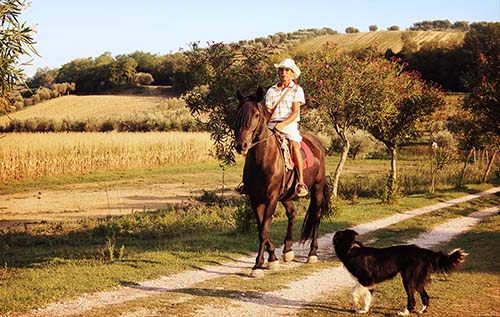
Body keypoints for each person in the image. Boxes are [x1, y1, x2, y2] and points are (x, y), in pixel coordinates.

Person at [265, 58, 308, 197]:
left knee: (295, 145)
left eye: (287, 70)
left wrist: (282, 125)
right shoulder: (271, 90)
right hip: (271, 124)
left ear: (292, 73)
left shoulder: (297, 89)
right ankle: (247, 180)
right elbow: (268, 110)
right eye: (281, 70)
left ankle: (300, 182)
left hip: (289, 124)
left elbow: (295, 111)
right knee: (256, 145)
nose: (283, 72)